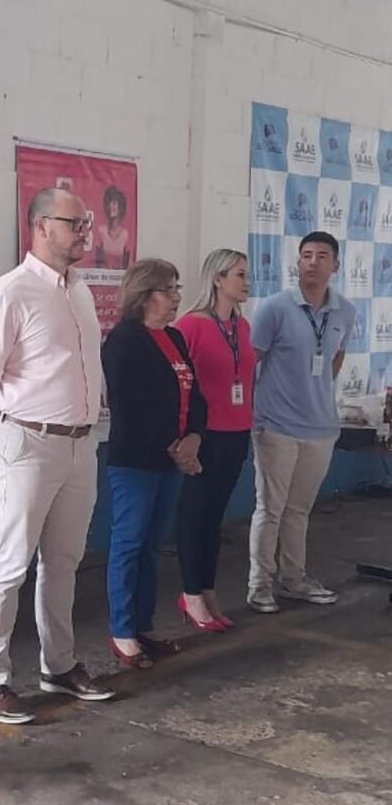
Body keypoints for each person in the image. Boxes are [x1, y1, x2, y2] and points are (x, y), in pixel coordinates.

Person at [0, 187, 115, 725]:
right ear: (41, 226)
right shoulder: (8, 294)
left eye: (87, 222)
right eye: (75, 223)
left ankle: (59, 664)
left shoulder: (79, 292)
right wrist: (10, 441)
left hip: (79, 444)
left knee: (64, 561)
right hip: (26, 441)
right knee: (10, 562)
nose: (84, 232)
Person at [101, 259, 208, 669]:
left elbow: (194, 396)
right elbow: (129, 405)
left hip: (172, 459)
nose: (177, 297)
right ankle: (122, 630)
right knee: (128, 543)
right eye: (169, 290)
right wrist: (174, 446)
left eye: (177, 289)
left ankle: (142, 626)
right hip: (137, 459)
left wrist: (194, 437)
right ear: (145, 295)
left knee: (151, 545)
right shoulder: (124, 341)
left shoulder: (175, 339)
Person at [248, 231, 356, 613]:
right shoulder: (275, 308)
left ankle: (293, 580)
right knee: (270, 509)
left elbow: (335, 360)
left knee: (298, 510)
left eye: (321, 256)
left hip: (320, 427)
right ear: (297, 263)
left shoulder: (345, 311)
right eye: (306, 255)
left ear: (335, 265)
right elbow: (252, 361)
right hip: (275, 426)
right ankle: (259, 585)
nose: (312, 262)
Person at [175, 250, 255, 630]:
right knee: (195, 514)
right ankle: (190, 592)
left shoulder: (242, 327)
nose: (247, 282)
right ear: (218, 279)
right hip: (205, 434)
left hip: (238, 431)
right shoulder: (190, 326)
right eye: (239, 275)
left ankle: (207, 588)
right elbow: (178, 383)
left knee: (214, 517)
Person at [95, 185, 131, 270]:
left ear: (120, 207)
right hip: (102, 276)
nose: (110, 207)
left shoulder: (126, 235)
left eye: (114, 203)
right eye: (108, 203)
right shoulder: (101, 231)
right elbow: (97, 264)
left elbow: (127, 266)